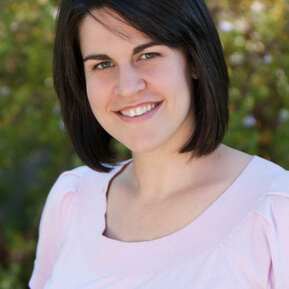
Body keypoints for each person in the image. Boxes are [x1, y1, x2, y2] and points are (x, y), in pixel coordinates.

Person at [29, 0, 289, 288]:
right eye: (102, 64)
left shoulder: (276, 212)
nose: (127, 87)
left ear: (194, 60)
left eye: (148, 54)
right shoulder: (71, 200)